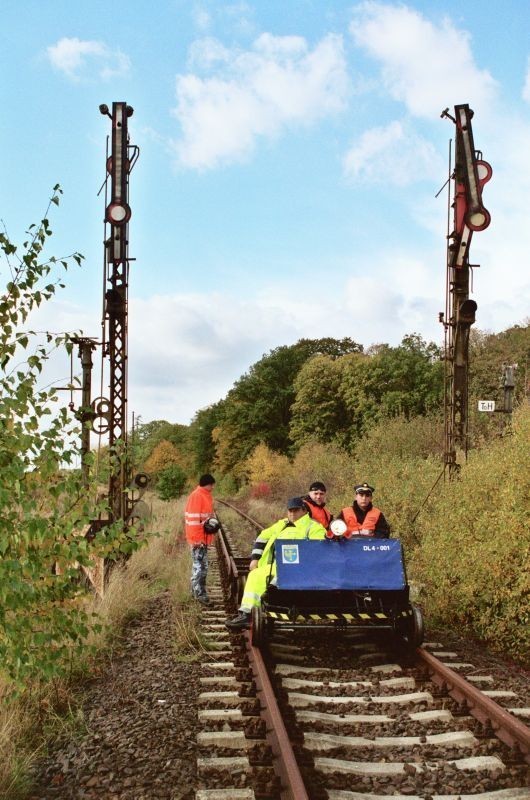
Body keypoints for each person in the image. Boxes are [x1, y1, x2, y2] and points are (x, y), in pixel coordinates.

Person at [225, 497, 327, 629]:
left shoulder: (313, 527)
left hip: (300, 569)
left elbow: (318, 551)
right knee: (255, 575)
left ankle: (257, 606)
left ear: (304, 511)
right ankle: (247, 613)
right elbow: (263, 536)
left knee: (261, 578)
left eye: (295, 510)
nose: (292, 514)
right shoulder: (282, 523)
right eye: (289, 511)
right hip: (275, 566)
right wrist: (255, 558)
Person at [184, 473, 217, 605]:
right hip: (198, 540)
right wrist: (198, 540)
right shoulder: (197, 496)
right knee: (200, 567)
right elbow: (193, 521)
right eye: (212, 484)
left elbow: (204, 518)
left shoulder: (204, 495)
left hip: (202, 538)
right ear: (207, 484)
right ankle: (199, 594)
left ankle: (196, 592)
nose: (213, 487)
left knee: (201, 566)